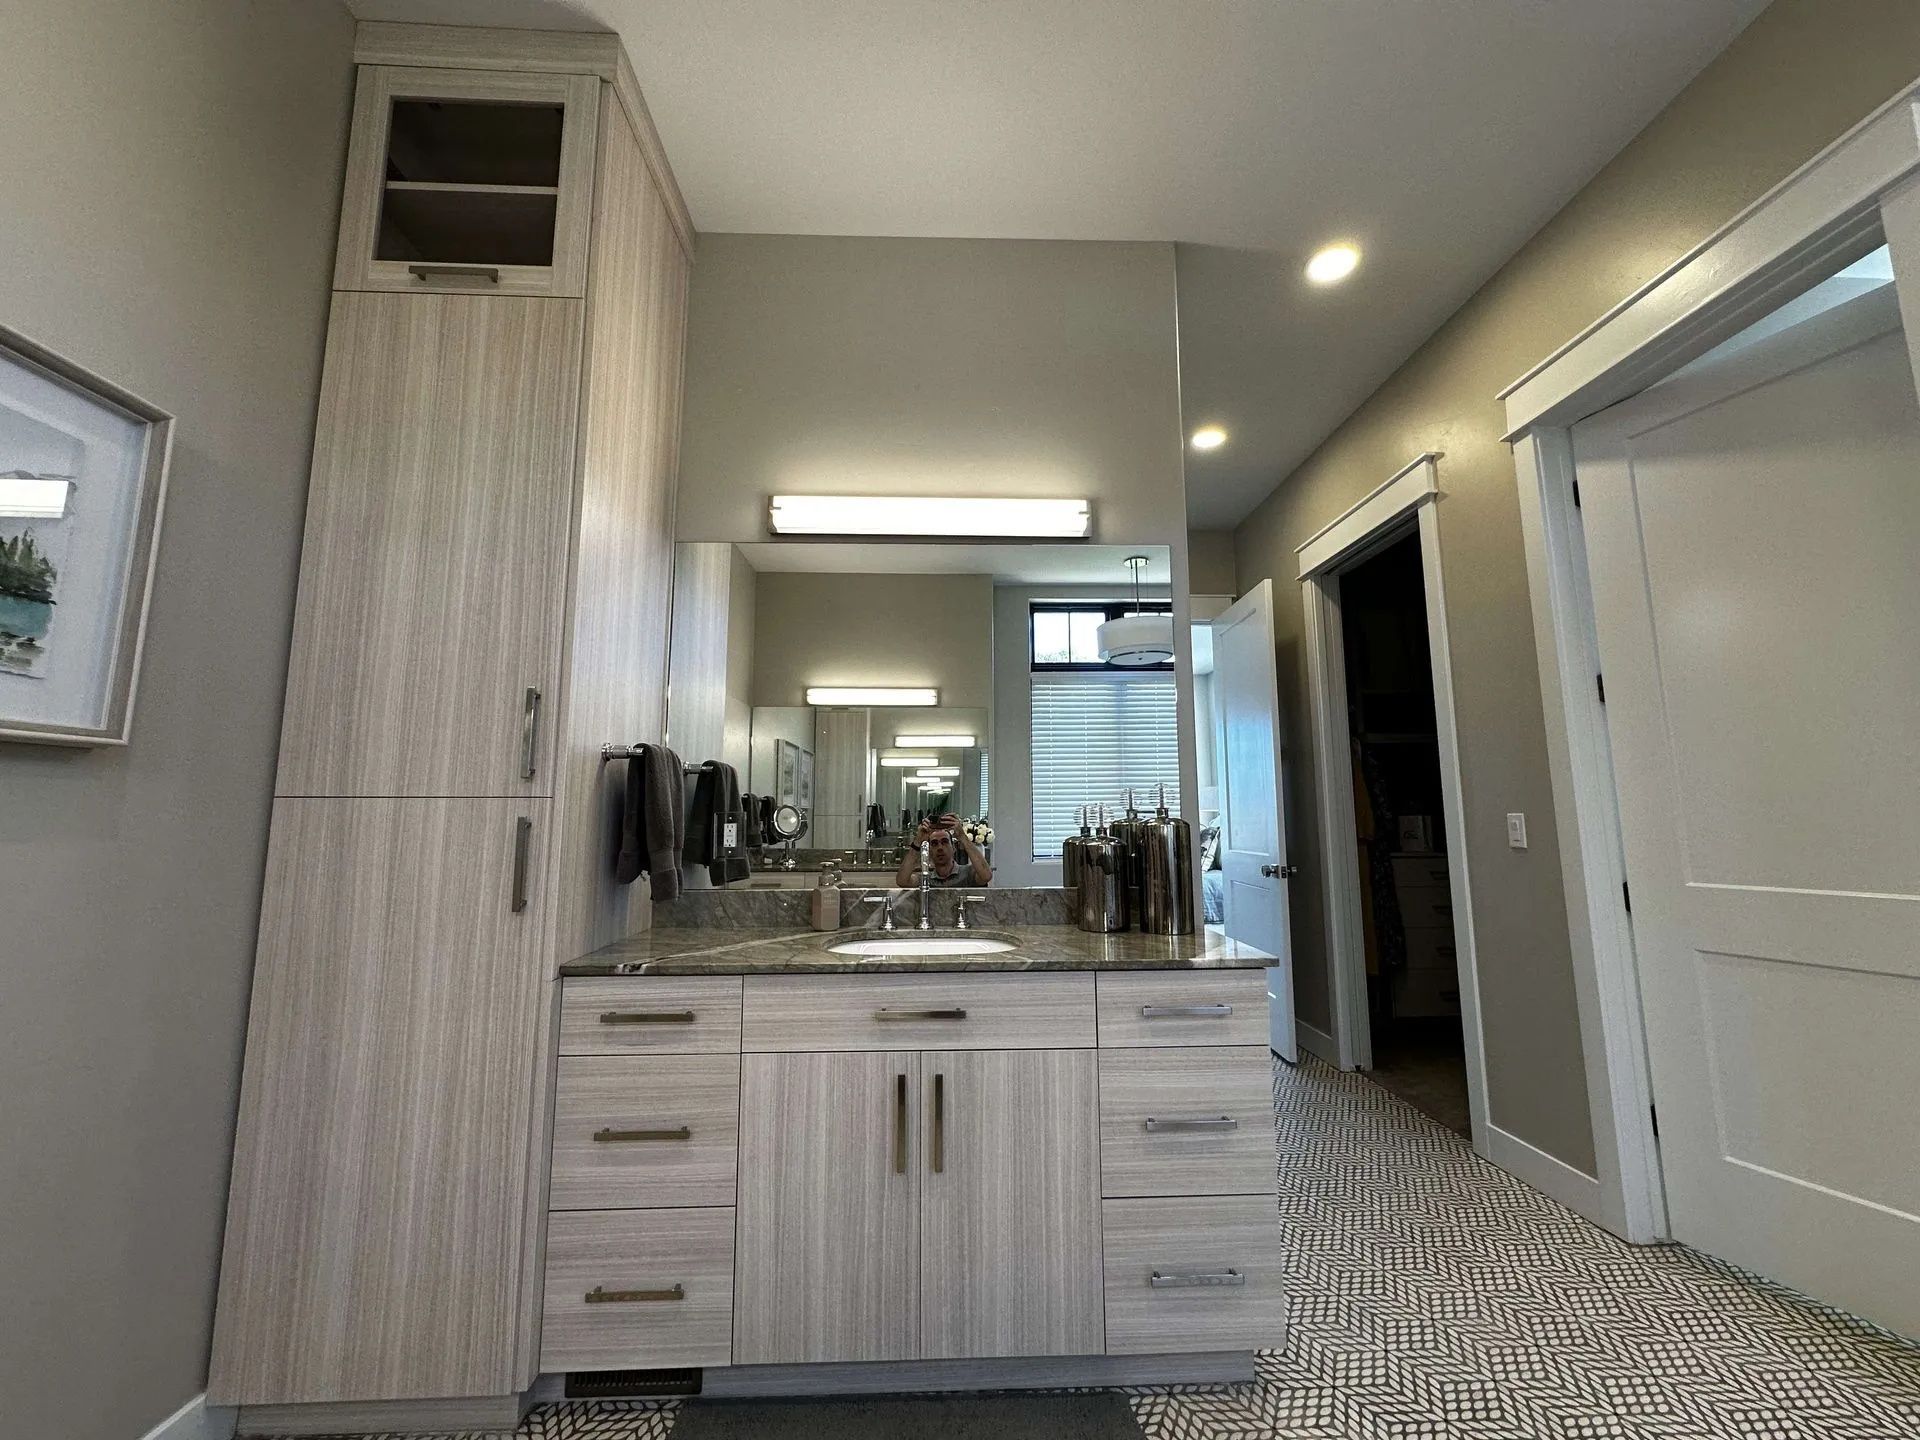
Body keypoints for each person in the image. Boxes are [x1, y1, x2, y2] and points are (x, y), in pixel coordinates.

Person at [895, 812, 992, 887]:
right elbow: (902, 881)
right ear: (929, 851)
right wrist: (918, 841)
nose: (940, 848)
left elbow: (986, 876)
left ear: (953, 848)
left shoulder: (967, 874)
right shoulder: (926, 879)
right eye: (934, 844)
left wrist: (962, 837)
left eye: (945, 842)